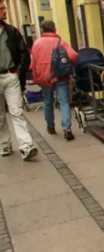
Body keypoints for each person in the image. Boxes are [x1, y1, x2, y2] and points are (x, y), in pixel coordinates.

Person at [0, 0, 37, 160]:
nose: (5, 11)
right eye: (1, 9)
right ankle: (4, 145)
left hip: (11, 76)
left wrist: (18, 72)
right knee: (0, 116)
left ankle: (26, 146)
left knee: (16, 112)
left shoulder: (11, 31)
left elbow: (24, 53)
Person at [31, 19, 78, 140]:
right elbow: (73, 55)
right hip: (60, 76)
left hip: (44, 78)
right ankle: (67, 129)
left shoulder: (36, 43)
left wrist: (36, 76)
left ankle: (50, 127)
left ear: (42, 30)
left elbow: (32, 63)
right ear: (54, 29)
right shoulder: (61, 42)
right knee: (63, 101)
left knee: (48, 102)